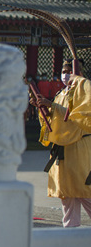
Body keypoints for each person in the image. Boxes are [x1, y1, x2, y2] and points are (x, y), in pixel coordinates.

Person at [33, 59, 91, 227]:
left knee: (83, 191)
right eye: (63, 71)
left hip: (79, 148)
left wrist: (52, 106)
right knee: (67, 194)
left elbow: (78, 118)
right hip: (63, 149)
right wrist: (43, 108)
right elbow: (55, 123)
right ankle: (70, 232)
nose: (66, 74)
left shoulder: (84, 92)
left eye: (69, 71)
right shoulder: (61, 93)